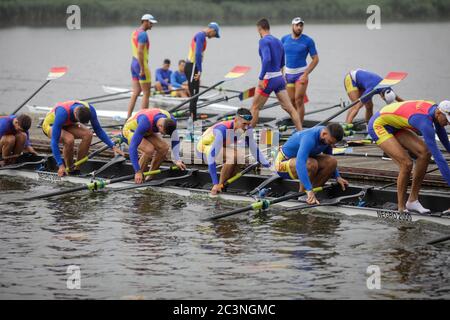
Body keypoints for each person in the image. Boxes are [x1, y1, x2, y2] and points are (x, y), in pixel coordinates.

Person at [368, 100, 450, 213]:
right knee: (406, 164)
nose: (448, 123)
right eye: (447, 120)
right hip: (378, 124)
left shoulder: (436, 112)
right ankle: (402, 208)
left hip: (395, 124)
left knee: (425, 153)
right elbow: (439, 158)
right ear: (439, 113)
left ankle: (412, 201)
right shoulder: (425, 123)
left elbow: (446, 143)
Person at [196, 108, 270, 195]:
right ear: (235, 120)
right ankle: (218, 186)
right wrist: (215, 183)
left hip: (219, 147)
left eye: (248, 124)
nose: (246, 127)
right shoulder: (222, 129)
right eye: (244, 124)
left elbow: (254, 149)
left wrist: (269, 166)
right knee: (233, 156)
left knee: (240, 157)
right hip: (203, 148)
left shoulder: (247, 129)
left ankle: (224, 185)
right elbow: (211, 157)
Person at [42, 100, 124, 176]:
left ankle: (77, 169)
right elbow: (54, 142)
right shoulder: (62, 113)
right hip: (50, 125)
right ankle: (69, 169)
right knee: (69, 139)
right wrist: (60, 165)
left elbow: (98, 130)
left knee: (88, 134)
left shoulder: (90, 109)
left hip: (67, 124)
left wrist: (112, 146)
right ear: (75, 113)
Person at [275, 123, 349, 204]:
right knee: (311, 164)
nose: (330, 145)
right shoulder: (309, 138)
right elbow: (301, 163)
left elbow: (329, 157)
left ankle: (310, 195)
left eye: (332, 143)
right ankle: (302, 194)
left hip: (300, 161)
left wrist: (337, 177)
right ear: (324, 134)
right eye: (330, 142)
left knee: (332, 162)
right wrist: (308, 188)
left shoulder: (327, 136)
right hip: (282, 164)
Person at [249, 18, 302, 131]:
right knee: (291, 109)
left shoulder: (263, 41)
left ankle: (246, 137)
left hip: (268, 79)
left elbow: (267, 59)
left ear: (259, 29)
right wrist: (281, 77)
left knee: (254, 107)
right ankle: (301, 132)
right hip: (279, 78)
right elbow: (283, 62)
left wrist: (261, 78)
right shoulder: (278, 41)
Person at [122, 108, 186, 184]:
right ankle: (138, 178)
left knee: (164, 148)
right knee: (149, 150)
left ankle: (150, 177)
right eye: (163, 133)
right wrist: (137, 171)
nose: (163, 135)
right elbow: (132, 147)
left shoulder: (171, 120)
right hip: (129, 131)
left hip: (146, 131)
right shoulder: (145, 122)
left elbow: (175, 140)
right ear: (160, 126)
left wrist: (177, 159)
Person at [281, 17, 319, 124]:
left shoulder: (308, 41)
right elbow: (279, 57)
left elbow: (315, 59)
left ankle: (300, 128)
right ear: (292, 26)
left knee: (298, 100)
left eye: (301, 25)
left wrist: (306, 73)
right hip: (288, 75)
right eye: (297, 25)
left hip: (301, 74)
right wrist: (281, 74)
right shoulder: (284, 39)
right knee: (291, 102)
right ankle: (297, 123)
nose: (299, 27)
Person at [186, 22, 220, 121]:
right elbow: (197, 54)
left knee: (195, 96)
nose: (214, 37)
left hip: (193, 66)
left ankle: (193, 119)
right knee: (194, 96)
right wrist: (200, 70)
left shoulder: (202, 36)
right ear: (212, 30)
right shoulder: (201, 35)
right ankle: (192, 121)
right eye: (215, 34)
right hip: (193, 66)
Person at [126, 14, 158, 119]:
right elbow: (140, 51)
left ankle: (128, 116)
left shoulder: (135, 32)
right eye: (151, 23)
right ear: (145, 21)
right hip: (141, 65)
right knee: (146, 93)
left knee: (136, 92)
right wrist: (143, 69)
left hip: (133, 63)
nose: (152, 25)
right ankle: (143, 118)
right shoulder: (143, 34)